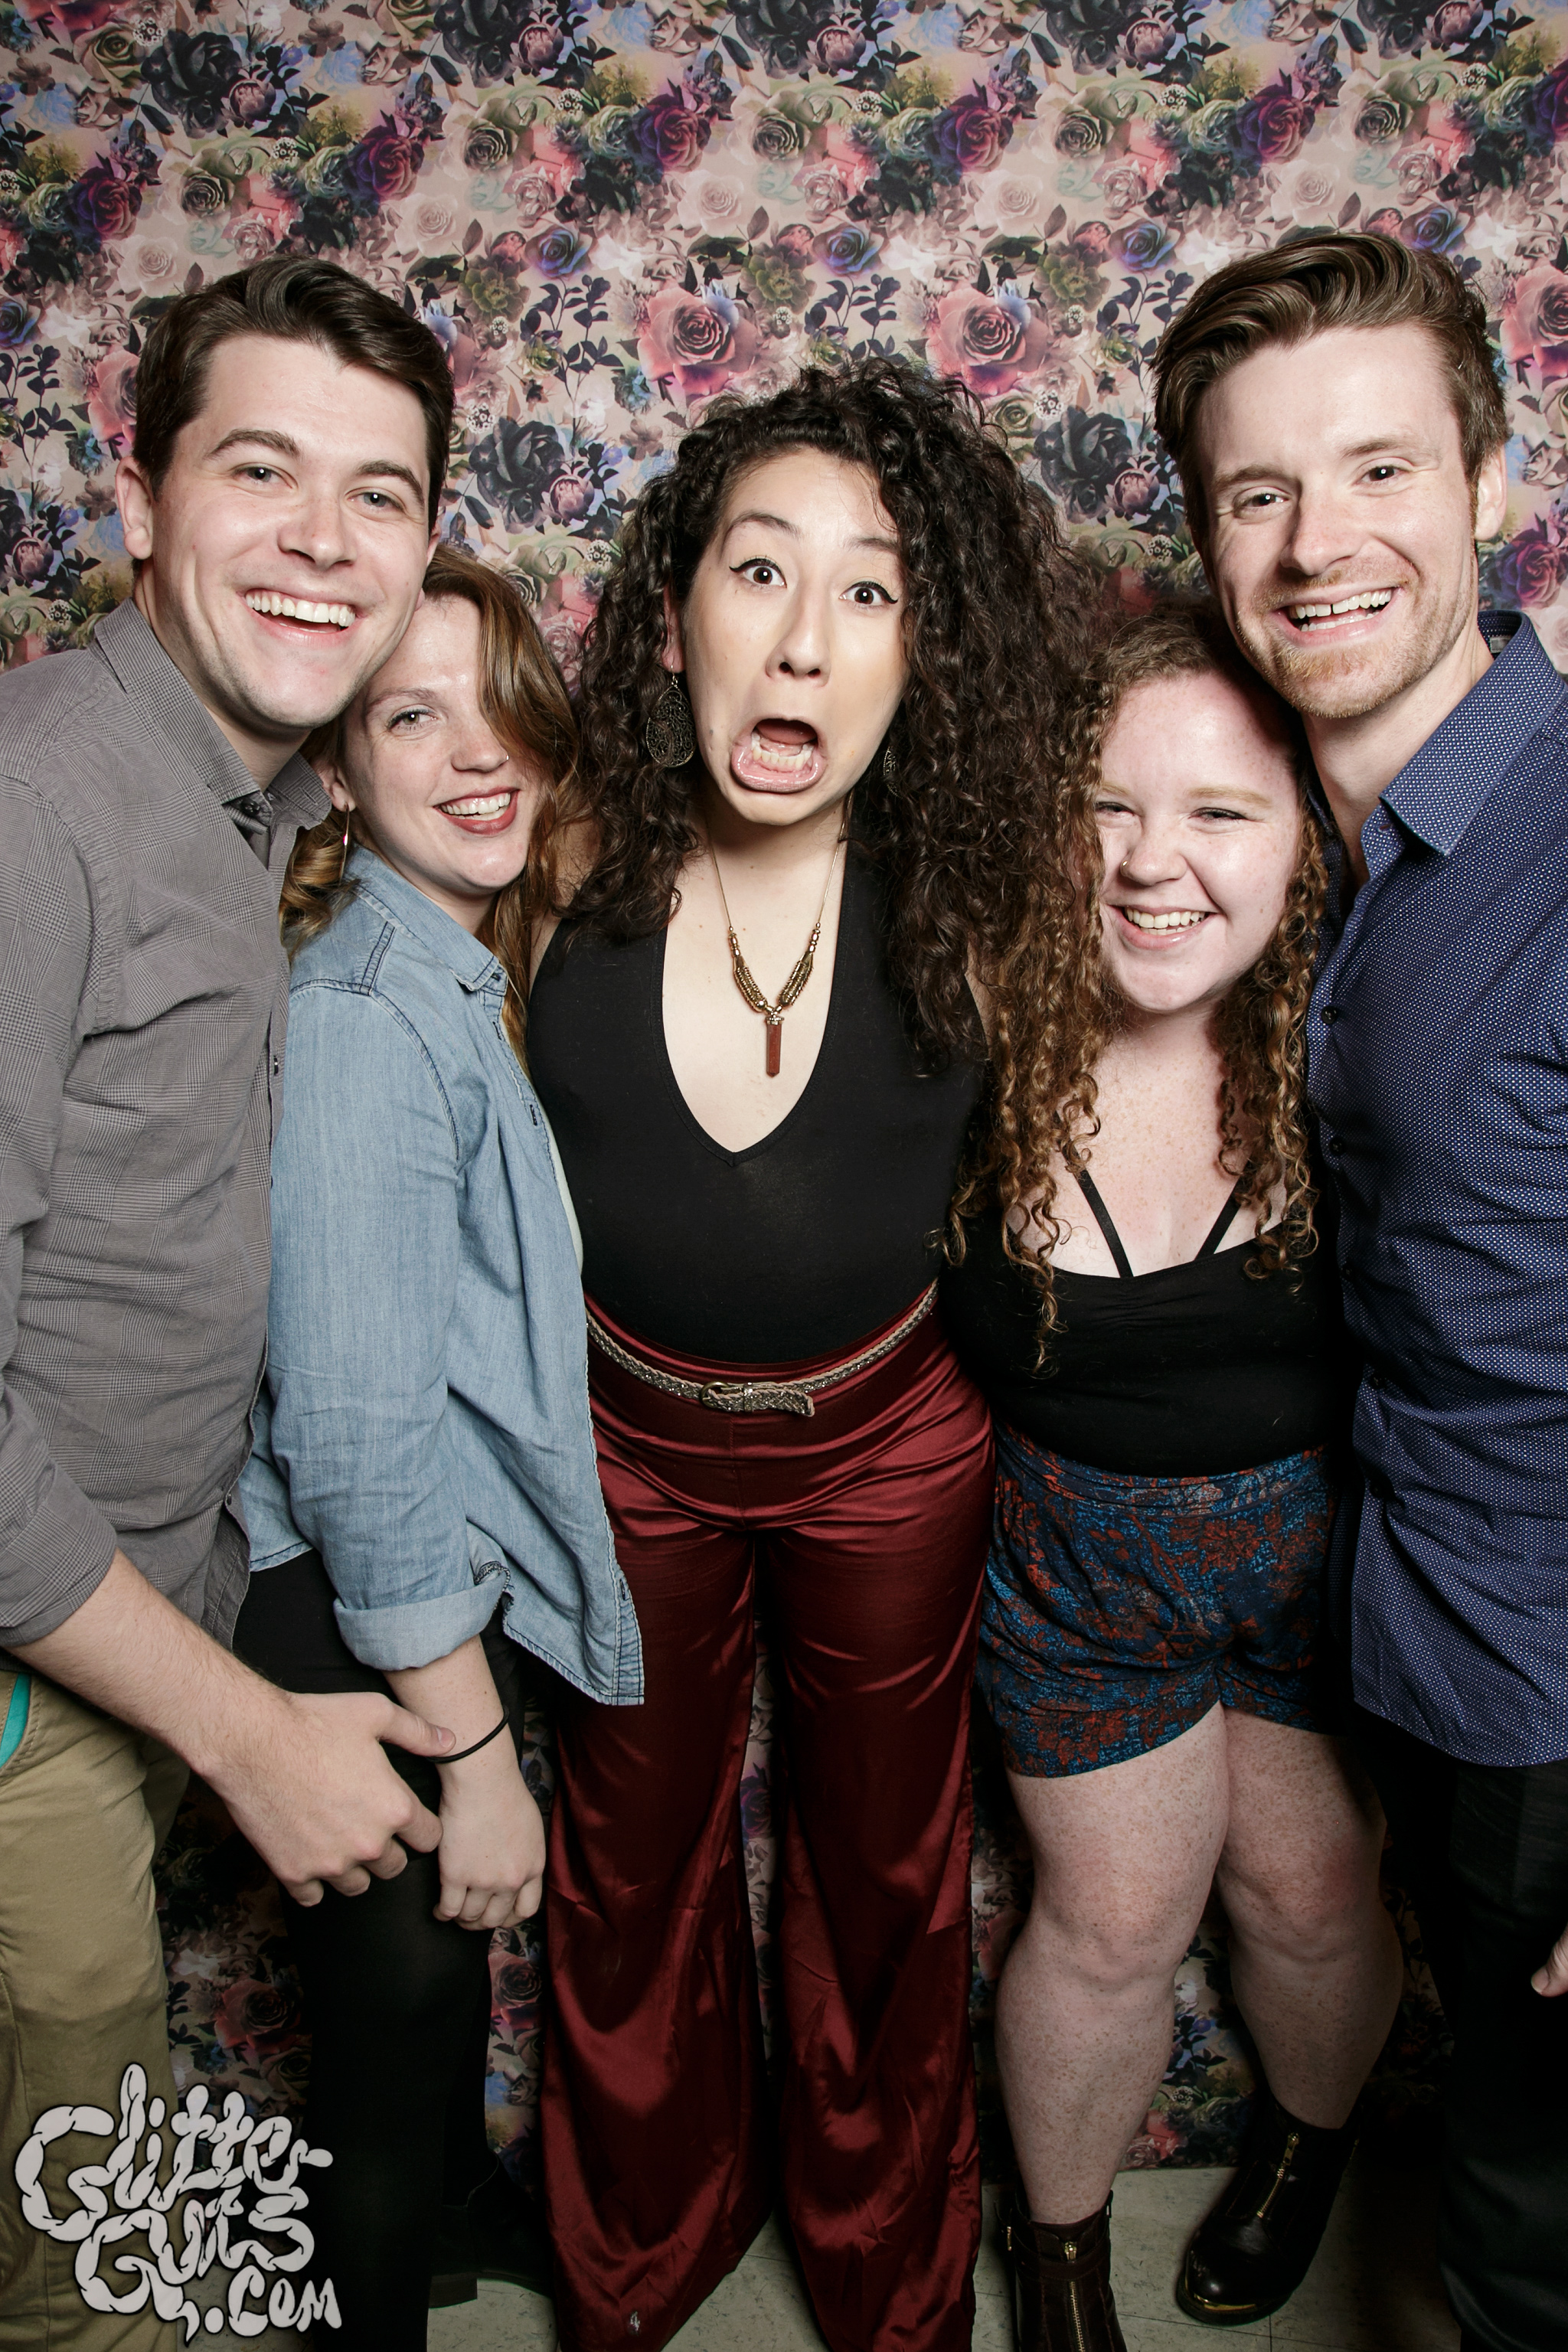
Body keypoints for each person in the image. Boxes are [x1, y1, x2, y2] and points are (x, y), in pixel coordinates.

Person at [525, 358, 1089, 2352]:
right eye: (760, 570)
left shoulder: (985, 900)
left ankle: (884, 2277)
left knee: (885, 1875)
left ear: (924, 659)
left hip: (893, 1452)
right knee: (629, 1863)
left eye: (872, 592)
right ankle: (637, 2253)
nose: (803, 638)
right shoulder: (549, 865)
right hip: (621, 1449)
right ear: (676, 608)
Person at [0, 258, 454, 2350]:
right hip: (30, 1689)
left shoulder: (249, 800)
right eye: (262, 469)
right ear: (137, 497)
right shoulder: (39, 804)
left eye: (380, 493)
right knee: (85, 2286)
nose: (324, 540)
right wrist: (247, 1729)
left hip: (119, 1630)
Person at [1153, 230, 1568, 2352]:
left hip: (1559, 1697)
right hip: (1437, 1649)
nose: (1320, 546)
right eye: (1261, 492)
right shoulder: (1290, 845)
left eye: (1382, 470)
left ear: (1493, 481)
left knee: (1526, 2245)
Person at [943, 606, 1401, 2350]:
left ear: (1304, 839)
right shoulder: (966, 1027)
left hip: (1325, 1559)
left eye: (1218, 812)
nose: (1151, 863)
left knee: (1314, 1892)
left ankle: (1304, 2146)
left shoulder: (1365, 1038)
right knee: (1114, 1925)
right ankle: (1060, 2259)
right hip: (1080, 1573)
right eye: (1108, 808)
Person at [234, 546, 640, 2347]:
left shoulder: (466, 972)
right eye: (411, 718)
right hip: (350, 1607)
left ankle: (461, 2214)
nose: (477, 754)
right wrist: (473, 1756)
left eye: (500, 706)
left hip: (413, 1592)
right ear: (337, 768)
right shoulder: (361, 1025)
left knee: (427, 1996)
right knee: (390, 2056)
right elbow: (355, 1446)